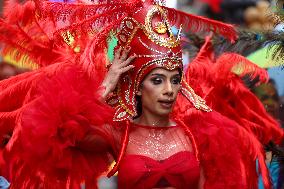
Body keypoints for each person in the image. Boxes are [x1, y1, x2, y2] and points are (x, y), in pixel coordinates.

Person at [0, 0, 283, 188]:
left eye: (175, 80)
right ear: (136, 84)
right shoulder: (119, 132)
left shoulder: (196, 130)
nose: (169, 90)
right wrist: (105, 87)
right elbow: (54, 135)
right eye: (157, 80)